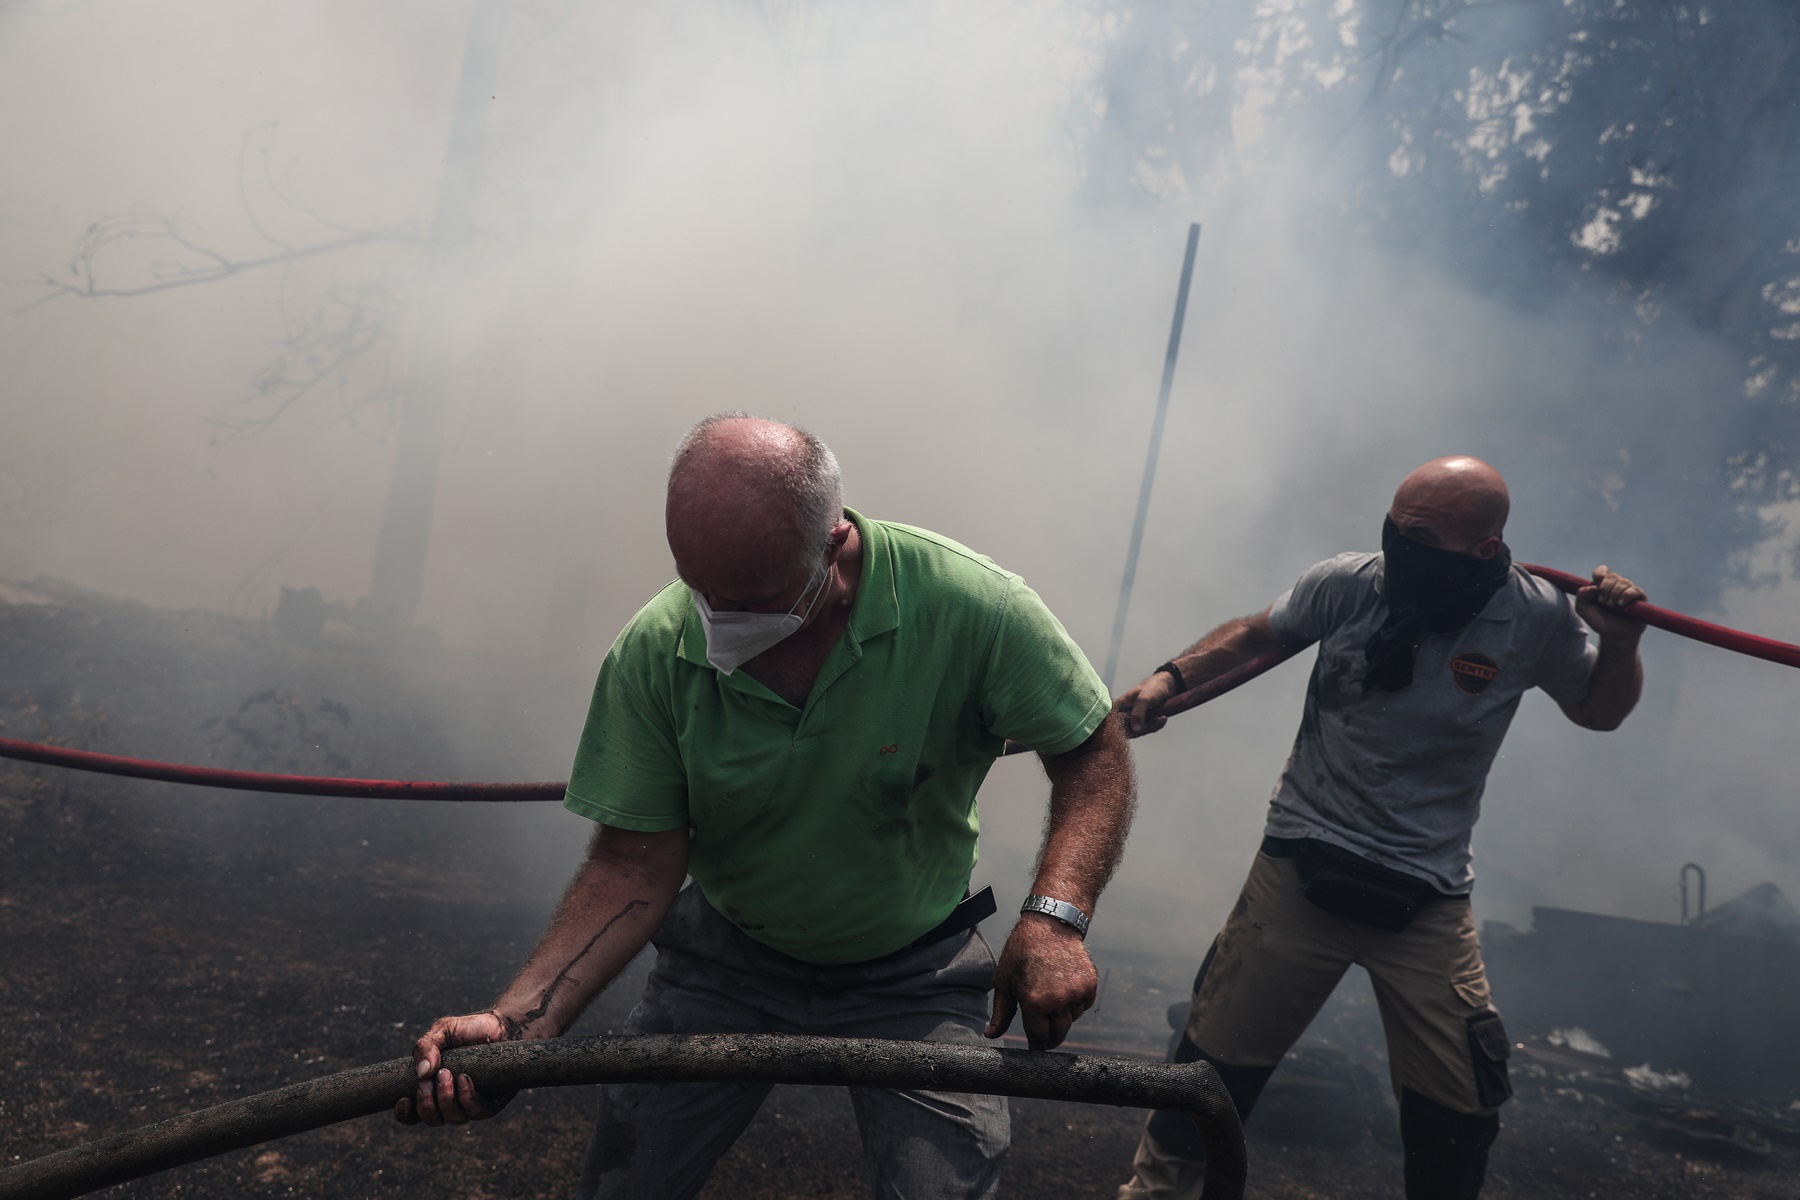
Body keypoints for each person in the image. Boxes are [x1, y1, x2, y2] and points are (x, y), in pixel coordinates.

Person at [395, 414, 1136, 1200]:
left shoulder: (970, 606)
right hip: (727, 961)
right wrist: (516, 1029)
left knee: (946, 1187)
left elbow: (1094, 750)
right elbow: (631, 867)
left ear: (833, 545)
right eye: (699, 587)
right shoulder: (657, 649)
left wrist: (1057, 917)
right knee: (624, 1185)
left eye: (748, 597)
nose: (717, 616)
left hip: (915, 972)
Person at [1111, 456, 1646, 1200]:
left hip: (1427, 896)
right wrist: (1169, 677)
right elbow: (1256, 632)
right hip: (1300, 869)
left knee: (1462, 1110)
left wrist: (1621, 642)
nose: (1400, 551)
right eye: (1394, 530)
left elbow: (1599, 710)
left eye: (1422, 541)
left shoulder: (1535, 615)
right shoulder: (1350, 582)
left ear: (1486, 549)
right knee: (1204, 1081)